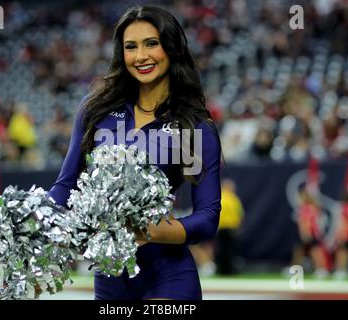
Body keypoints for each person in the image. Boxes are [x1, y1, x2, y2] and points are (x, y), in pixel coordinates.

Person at [49, 6, 222, 300]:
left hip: (168, 276)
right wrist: (36, 229)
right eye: (131, 47)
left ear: (171, 47)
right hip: (109, 276)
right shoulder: (96, 111)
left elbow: (207, 217)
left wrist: (150, 231)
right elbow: (65, 187)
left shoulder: (191, 127)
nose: (141, 56)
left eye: (151, 43)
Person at [215, 179, 244, 275]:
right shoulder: (233, 199)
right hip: (229, 228)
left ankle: (222, 269)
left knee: (223, 250)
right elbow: (240, 215)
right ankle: (228, 269)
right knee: (228, 251)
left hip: (223, 228)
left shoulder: (220, 197)